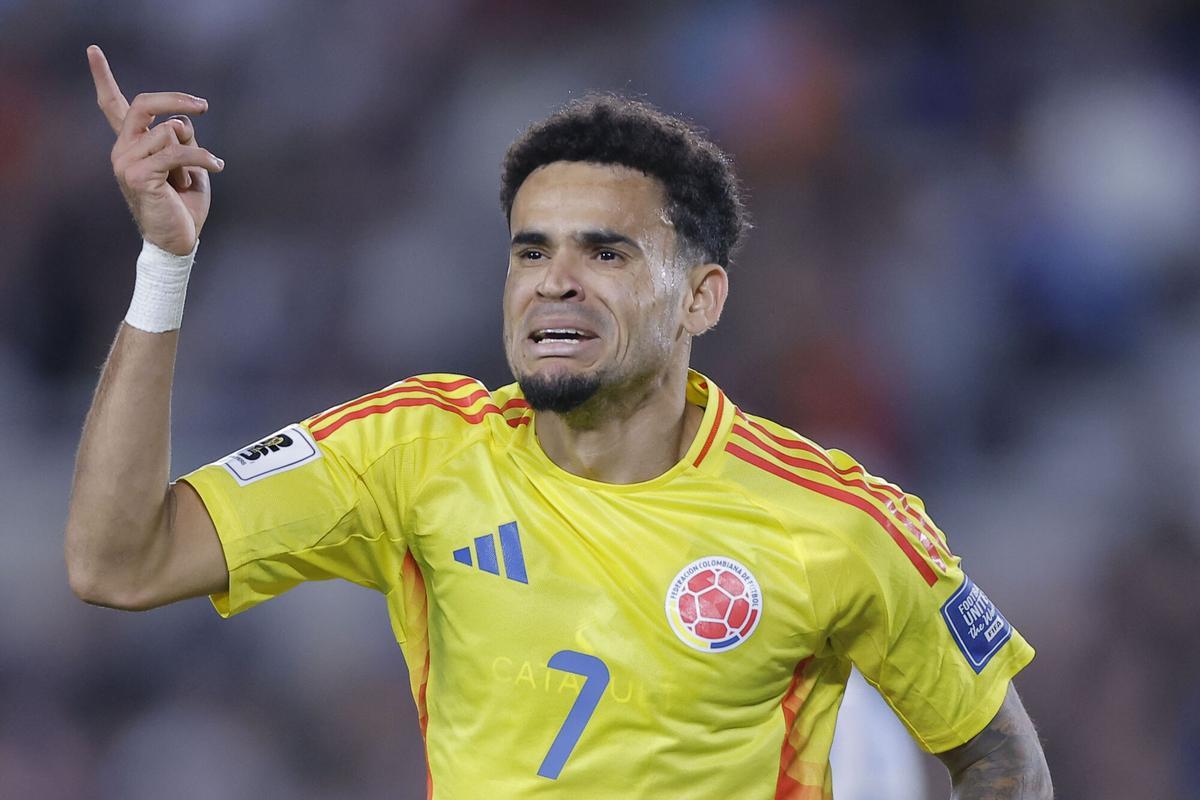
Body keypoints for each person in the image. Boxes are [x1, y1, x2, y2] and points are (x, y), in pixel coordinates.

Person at [65, 45, 1053, 798]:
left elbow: (997, 751)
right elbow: (119, 560)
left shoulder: (832, 520)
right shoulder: (415, 452)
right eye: (530, 252)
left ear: (701, 298)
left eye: (607, 253)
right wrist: (166, 264)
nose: (555, 284)